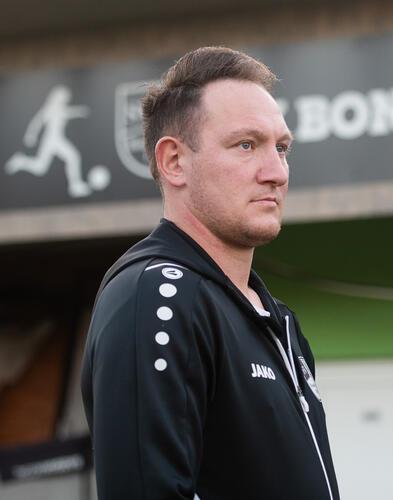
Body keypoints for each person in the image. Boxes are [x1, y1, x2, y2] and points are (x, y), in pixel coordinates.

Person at [81, 47, 339, 500]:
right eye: (246, 145)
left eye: (281, 148)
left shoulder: (278, 320)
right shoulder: (154, 296)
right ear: (174, 162)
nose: (276, 172)